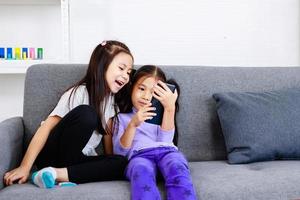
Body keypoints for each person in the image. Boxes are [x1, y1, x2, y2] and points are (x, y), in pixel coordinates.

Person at [4, 40, 134, 188]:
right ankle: (55, 172)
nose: (126, 76)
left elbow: (107, 136)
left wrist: (110, 161)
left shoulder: (111, 102)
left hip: (75, 161)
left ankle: (56, 175)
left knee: (121, 163)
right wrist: (25, 167)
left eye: (129, 72)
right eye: (121, 68)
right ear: (102, 65)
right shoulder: (79, 93)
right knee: (87, 113)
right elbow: (45, 128)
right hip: (53, 155)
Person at [113, 65, 197, 200]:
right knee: (140, 169)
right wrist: (133, 124)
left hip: (167, 153)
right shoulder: (121, 118)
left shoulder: (163, 113)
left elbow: (166, 141)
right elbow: (119, 153)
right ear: (131, 88)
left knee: (176, 164)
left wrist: (170, 108)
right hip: (139, 157)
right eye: (141, 89)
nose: (146, 96)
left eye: (153, 92)